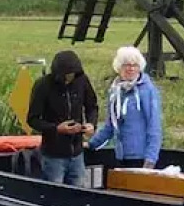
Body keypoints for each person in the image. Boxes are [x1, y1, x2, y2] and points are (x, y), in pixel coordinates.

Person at [26, 49, 98, 186]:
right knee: (55, 194)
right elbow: (32, 119)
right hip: (53, 155)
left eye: (72, 75)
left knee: (79, 192)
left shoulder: (82, 81)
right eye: (66, 76)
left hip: (77, 153)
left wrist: (91, 124)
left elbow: (92, 106)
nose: (69, 79)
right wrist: (56, 129)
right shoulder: (43, 85)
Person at [88, 45, 162, 169]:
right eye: (127, 65)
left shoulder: (147, 91)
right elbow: (110, 125)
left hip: (141, 157)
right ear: (119, 67)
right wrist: (92, 144)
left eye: (135, 65)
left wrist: (151, 158)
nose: (131, 68)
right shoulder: (115, 91)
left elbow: (154, 126)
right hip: (121, 155)